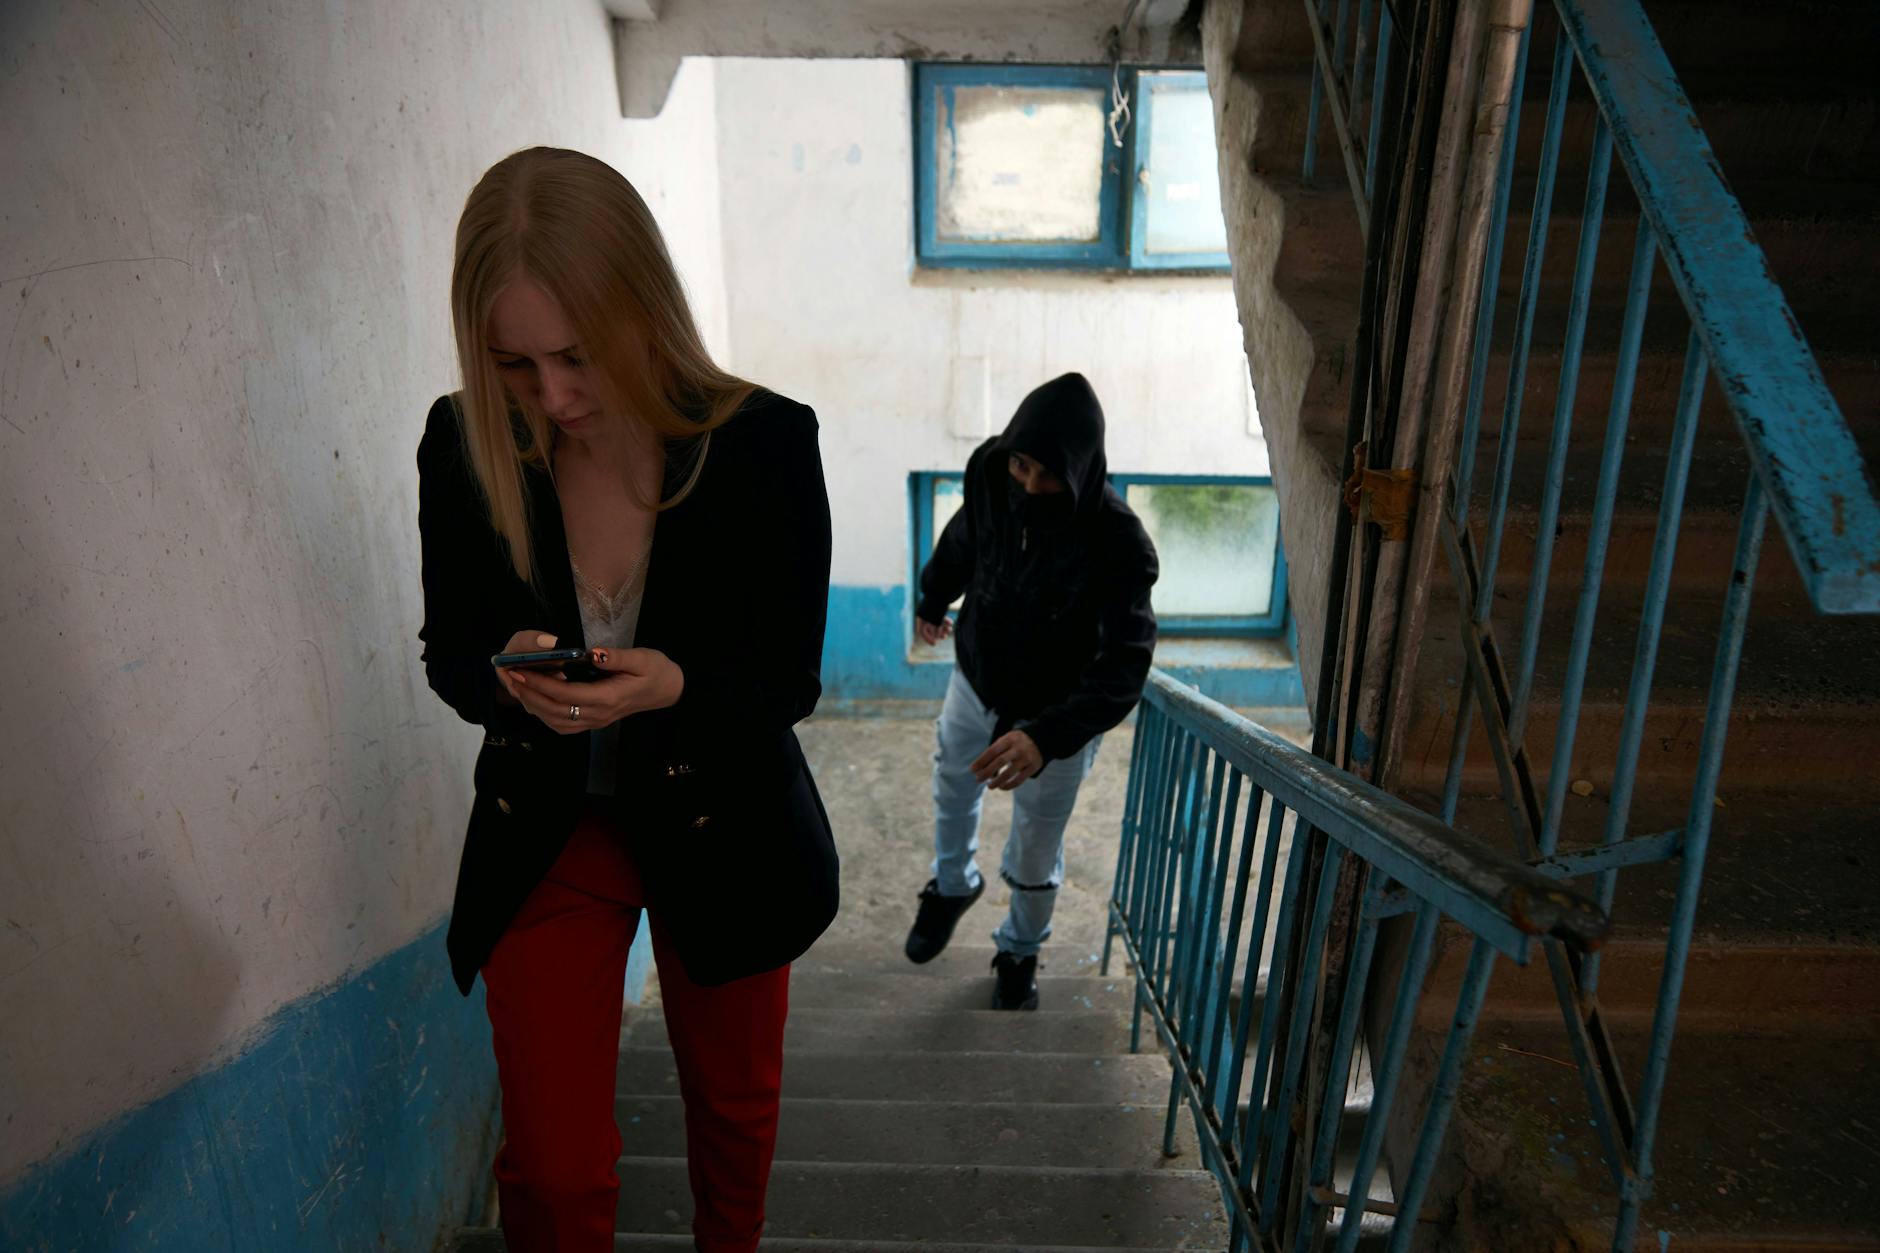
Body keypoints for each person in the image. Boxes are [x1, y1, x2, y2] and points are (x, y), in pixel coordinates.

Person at [416, 146, 838, 1253]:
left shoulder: (763, 440)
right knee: (553, 1173)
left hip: (727, 822)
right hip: (550, 833)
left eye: (576, 354)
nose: (552, 397)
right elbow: (448, 655)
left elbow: (787, 675)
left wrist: (679, 684)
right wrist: (501, 674)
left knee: (735, 1113)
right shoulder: (461, 441)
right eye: (512, 365)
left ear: (640, 307)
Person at [905, 373, 1158, 1009]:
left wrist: (1047, 736)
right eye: (1021, 465)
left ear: (1080, 472)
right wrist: (934, 595)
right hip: (977, 679)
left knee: (1037, 841)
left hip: (1056, 720)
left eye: (1049, 476)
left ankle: (1020, 949)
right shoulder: (990, 480)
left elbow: (1126, 663)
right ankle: (953, 884)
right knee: (952, 782)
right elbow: (964, 541)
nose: (1029, 486)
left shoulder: (1120, 542)